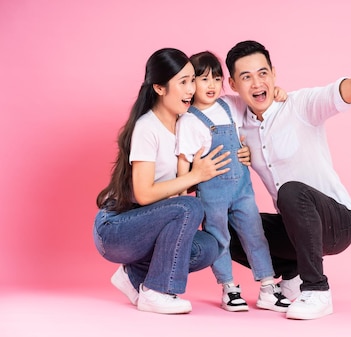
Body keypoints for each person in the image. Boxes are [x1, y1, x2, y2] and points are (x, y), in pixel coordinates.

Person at [225, 40, 351, 320]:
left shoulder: (299, 105)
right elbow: (203, 102)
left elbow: (333, 95)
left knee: (290, 192)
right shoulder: (237, 116)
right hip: (294, 230)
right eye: (246, 77)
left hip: (337, 222)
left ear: (274, 74)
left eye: (263, 73)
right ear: (233, 84)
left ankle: (317, 290)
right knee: (227, 226)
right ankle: (291, 276)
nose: (257, 83)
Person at [93, 48, 248, 314]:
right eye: (183, 82)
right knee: (191, 208)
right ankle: (157, 290)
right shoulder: (147, 128)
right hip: (117, 228)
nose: (191, 90)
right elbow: (143, 194)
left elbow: (179, 186)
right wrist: (194, 176)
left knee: (208, 247)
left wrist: (239, 155)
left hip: (149, 224)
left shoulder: (187, 124)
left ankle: (133, 276)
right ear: (160, 88)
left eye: (193, 80)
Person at [175, 51, 290, 313]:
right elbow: (184, 161)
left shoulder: (230, 104)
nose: (212, 85)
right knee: (219, 239)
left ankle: (268, 287)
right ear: (191, 84)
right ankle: (228, 287)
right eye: (204, 80)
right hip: (211, 193)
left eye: (217, 78)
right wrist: (181, 194)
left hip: (242, 190)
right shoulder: (190, 121)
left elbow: (259, 99)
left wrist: (278, 92)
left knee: (255, 234)